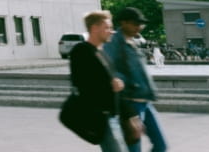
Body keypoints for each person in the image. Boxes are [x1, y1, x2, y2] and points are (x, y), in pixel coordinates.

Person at [104, 8, 166, 152]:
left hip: (145, 101)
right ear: (123, 23)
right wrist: (128, 84)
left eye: (141, 24)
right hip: (131, 103)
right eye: (135, 23)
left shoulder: (133, 41)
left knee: (160, 145)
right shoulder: (114, 43)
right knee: (133, 148)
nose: (139, 27)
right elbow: (109, 70)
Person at [70, 11, 127, 152]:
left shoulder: (102, 52)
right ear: (94, 28)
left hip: (111, 116)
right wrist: (111, 85)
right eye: (107, 27)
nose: (111, 31)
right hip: (101, 117)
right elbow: (80, 83)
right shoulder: (81, 51)